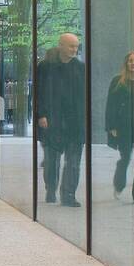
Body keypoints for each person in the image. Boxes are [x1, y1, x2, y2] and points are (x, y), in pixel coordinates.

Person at [37, 33, 85, 208]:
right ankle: (51, 188)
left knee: (73, 162)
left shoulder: (80, 68)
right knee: (51, 160)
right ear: (61, 46)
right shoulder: (45, 67)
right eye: (71, 46)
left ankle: (68, 195)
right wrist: (41, 115)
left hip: (75, 122)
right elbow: (39, 92)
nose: (74, 50)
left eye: (76, 46)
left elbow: (84, 96)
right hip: (52, 121)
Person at [104, 51, 134, 202]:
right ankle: (119, 184)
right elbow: (110, 105)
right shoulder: (118, 81)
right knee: (125, 157)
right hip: (124, 126)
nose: (133, 63)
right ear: (126, 63)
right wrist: (111, 126)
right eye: (130, 60)